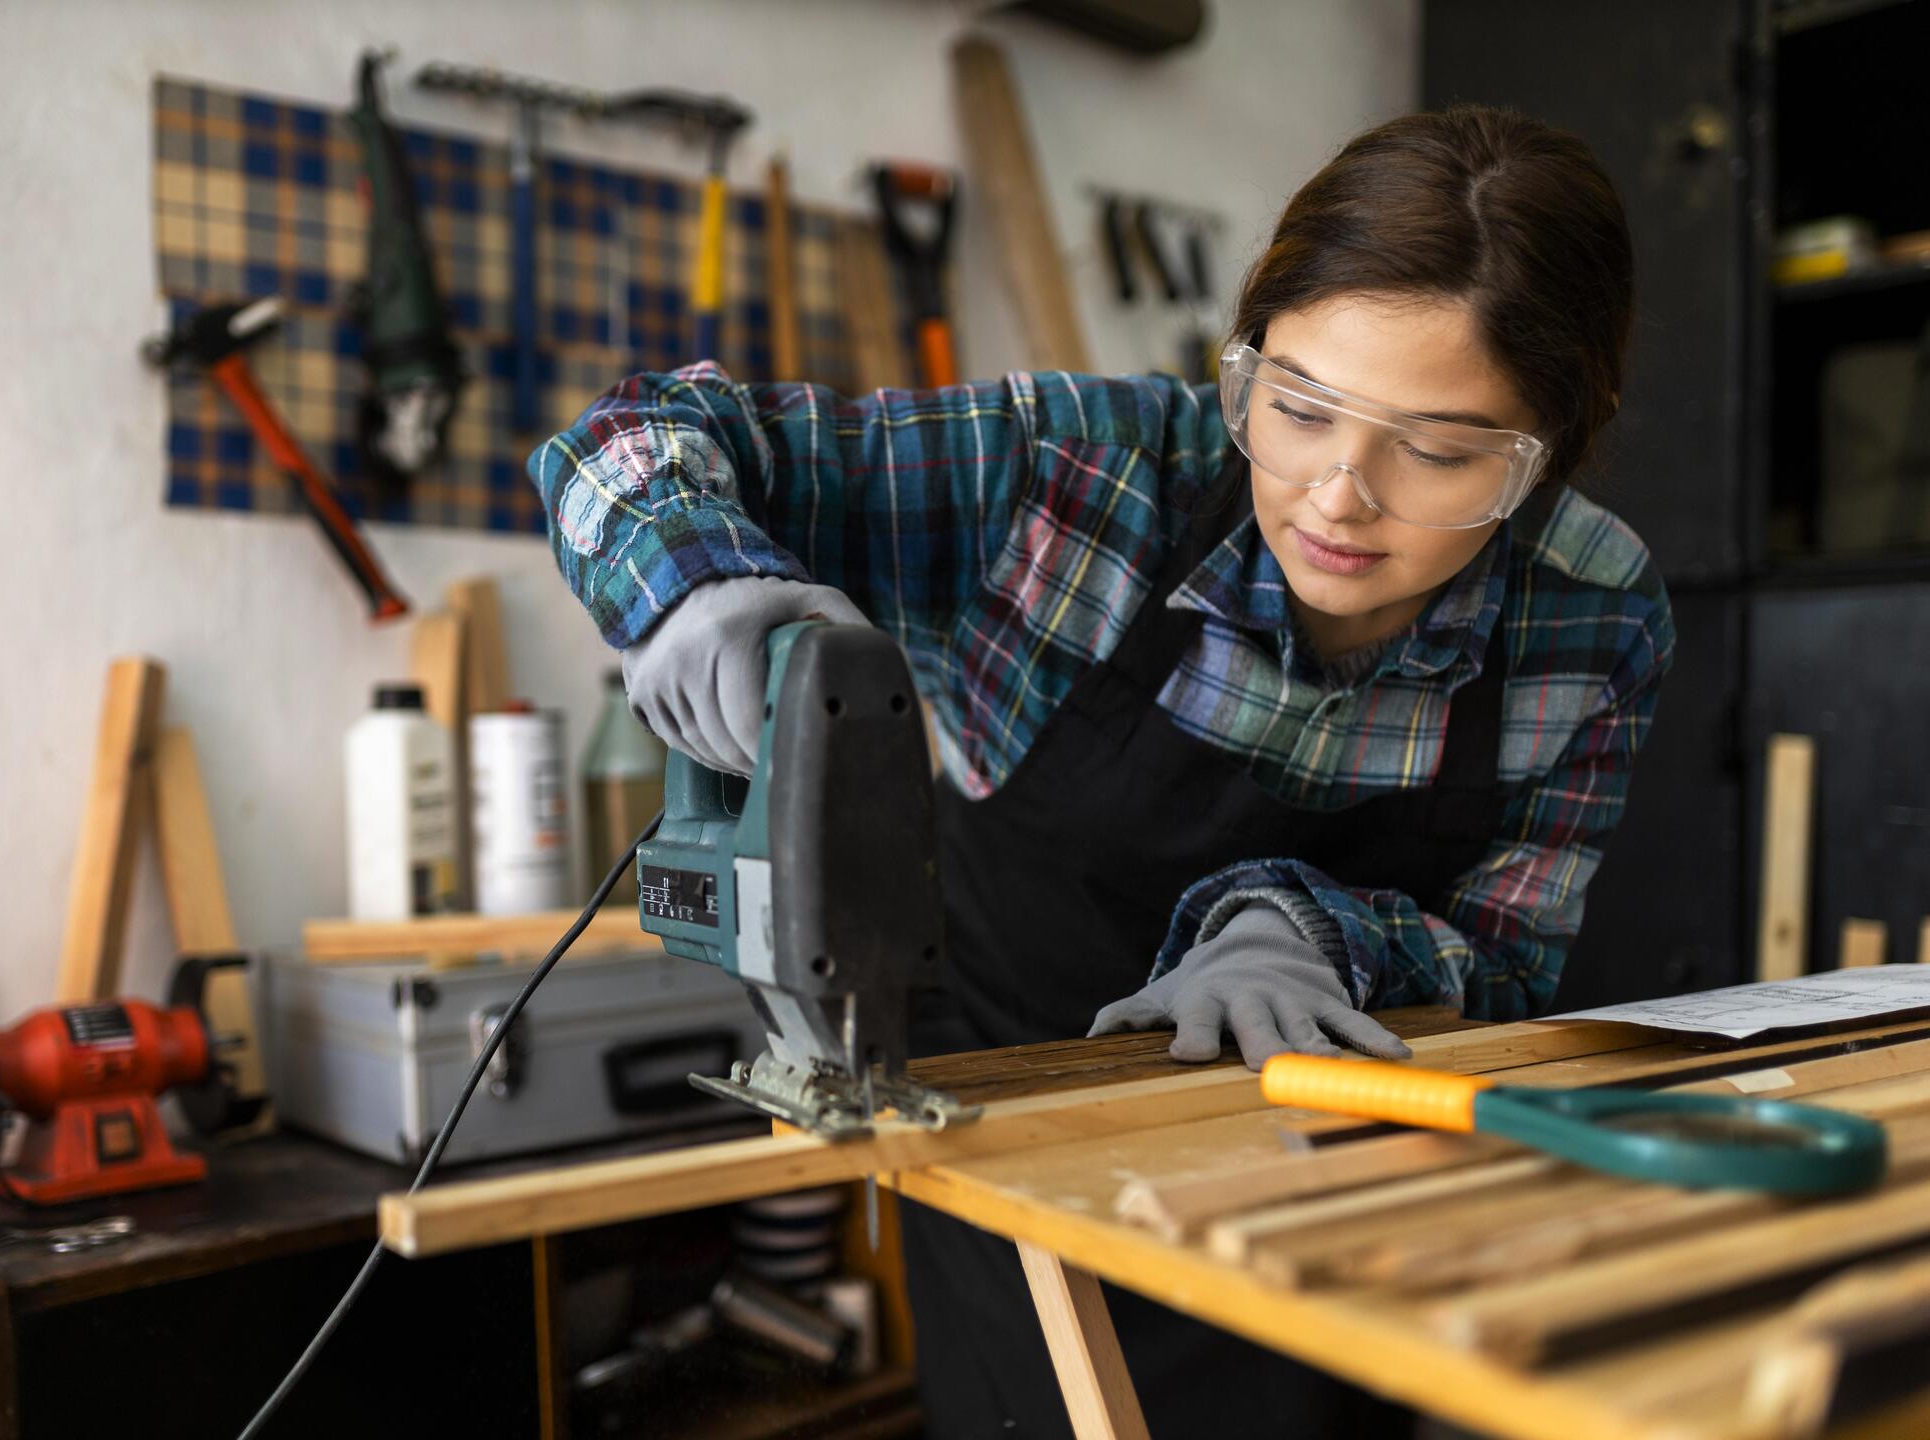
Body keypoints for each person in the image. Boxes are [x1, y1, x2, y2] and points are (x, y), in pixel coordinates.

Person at [530, 105, 1672, 1438]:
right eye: (1296, 408)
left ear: (1554, 451)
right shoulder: (1075, 479)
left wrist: (1312, 936)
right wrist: (699, 589)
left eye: (1436, 449)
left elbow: (1511, 960)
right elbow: (635, 432)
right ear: (1248, 360)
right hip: (1017, 1143)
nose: (1335, 496)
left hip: (1326, 1189)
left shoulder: (1597, 618)